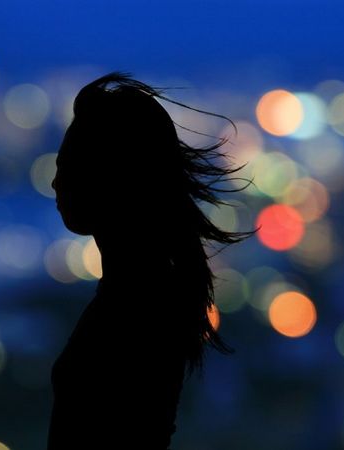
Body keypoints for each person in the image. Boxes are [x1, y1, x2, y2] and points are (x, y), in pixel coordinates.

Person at [46, 72, 257, 449]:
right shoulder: (148, 293)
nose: (56, 183)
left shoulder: (135, 306)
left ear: (111, 176)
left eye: (68, 166)